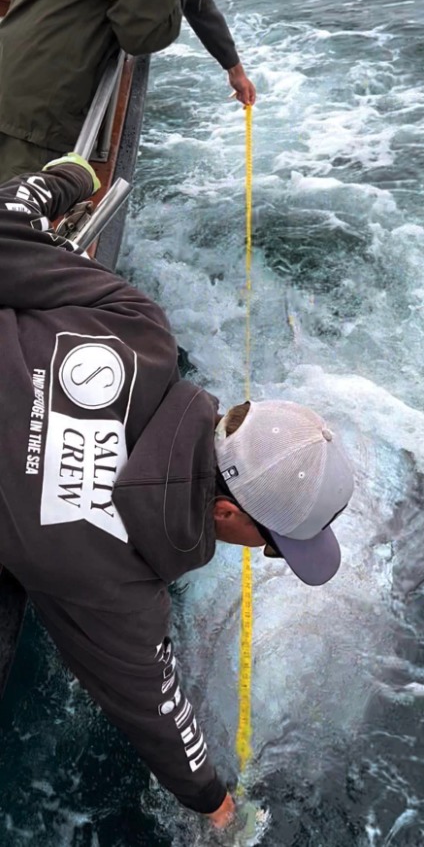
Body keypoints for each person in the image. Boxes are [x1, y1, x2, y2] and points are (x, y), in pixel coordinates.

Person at [0, 155, 354, 828]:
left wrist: (67, 179)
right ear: (226, 511)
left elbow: (8, 220)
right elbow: (157, 715)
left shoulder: (140, 327)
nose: (266, 556)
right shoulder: (117, 588)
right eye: (272, 546)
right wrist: (224, 814)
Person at [0, 0, 286, 181]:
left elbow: (197, 3)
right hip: (42, 102)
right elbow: (145, 34)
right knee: (17, 219)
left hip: (22, 67)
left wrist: (234, 69)